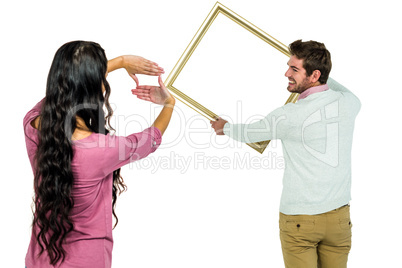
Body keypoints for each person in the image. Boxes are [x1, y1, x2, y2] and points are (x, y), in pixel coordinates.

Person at [23, 41, 175, 268]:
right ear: (95, 86)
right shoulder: (101, 149)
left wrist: (121, 62)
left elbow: (68, 87)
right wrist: (169, 104)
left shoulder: (33, 123)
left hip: (38, 260)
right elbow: (148, 140)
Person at [210, 40, 360, 268]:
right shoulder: (349, 104)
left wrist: (225, 128)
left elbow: (252, 132)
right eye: (289, 66)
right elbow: (342, 90)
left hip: (301, 221)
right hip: (339, 219)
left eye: (295, 69)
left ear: (314, 74)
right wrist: (323, 78)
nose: (286, 73)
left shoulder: (289, 116)